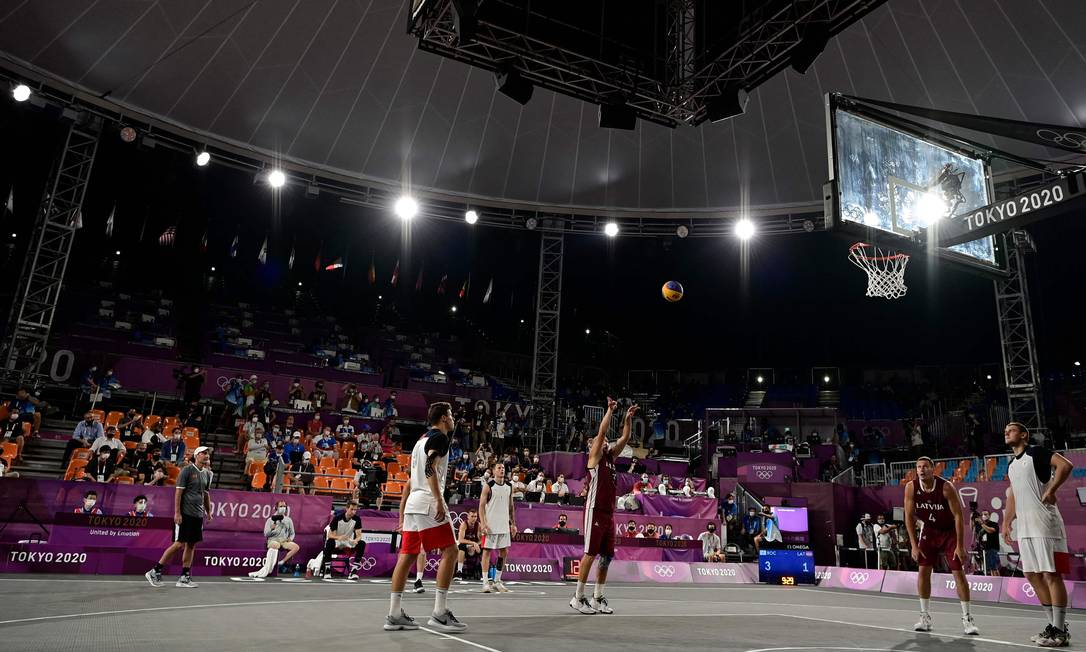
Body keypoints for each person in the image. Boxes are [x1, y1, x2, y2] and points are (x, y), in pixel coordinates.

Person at [385, 402, 465, 633]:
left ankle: (394, 613)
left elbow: (414, 477)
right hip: (429, 501)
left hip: (413, 502)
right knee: (451, 551)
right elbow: (430, 467)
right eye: (450, 415)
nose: (452, 419)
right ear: (442, 418)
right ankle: (440, 613)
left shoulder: (419, 441)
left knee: (408, 555)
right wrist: (439, 499)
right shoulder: (440, 438)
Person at [1002, 422, 1075, 647]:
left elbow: (1065, 465)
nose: (1007, 432)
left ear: (1024, 435)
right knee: (1032, 575)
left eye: (1012, 430)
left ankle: (1060, 630)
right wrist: (1006, 523)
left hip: (1045, 524)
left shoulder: (1036, 452)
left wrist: (1051, 489)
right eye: (1005, 431)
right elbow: (1013, 495)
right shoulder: (1012, 464)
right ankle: (1054, 626)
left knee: (1051, 575)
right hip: (1024, 528)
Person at [569, 398, 638, 616]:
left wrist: (627, 418)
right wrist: (609, 410)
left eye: (607, 440)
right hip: (594, 511)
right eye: (601, 440)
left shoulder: (610, 457)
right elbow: (601, 432)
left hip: (609, 514)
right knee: (590, 553)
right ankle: (578, 597)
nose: (605, 440)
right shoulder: (594, 458)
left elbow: (625, 437)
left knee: (607, 557)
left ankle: (597, 597)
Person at [903, 456, 979, 635]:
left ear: (932, 469)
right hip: (929, 531)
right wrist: (914, 545)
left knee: (958, 573)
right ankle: (924, 617)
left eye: (925, 467)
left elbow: (959, 517)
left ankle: (967, 619)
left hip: (949, 532)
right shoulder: (911, 487)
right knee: (923, 571)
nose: (921, 470)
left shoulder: (946, 487)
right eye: (918, 467)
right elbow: (908, 516)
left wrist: (960, 545)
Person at [145, 446, 213, 588]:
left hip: (198, 515)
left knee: (192, 545)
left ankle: (184, 577)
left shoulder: (207, 474)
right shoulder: (187, 471)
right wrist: (177, 513)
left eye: (207, 453)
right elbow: (178, 493)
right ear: (196, 455)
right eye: (203, 453)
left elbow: (205, 495)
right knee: (179, 544)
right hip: (185, 514)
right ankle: (155, 570)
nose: (206, 455)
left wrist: (208, 512)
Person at [479, 462, 517, 593]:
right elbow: (481, 506)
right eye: (499, 468)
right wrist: (483, 523)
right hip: (490, 526)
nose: (502, 470)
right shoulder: (488, 486)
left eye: (503, 468)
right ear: (494, 471)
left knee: (504, 552)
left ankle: (497, 581)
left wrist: (513, 524)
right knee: (487, 552)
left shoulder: (509, 486)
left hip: (504, 525)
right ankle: (485, 582)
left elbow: (511, 507)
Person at [322, 501, 364, 578]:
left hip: (348, 542)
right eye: (352, 509)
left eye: (355, 510)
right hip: (337, 541)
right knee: (329, 542)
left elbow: (359, 535)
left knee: (362, 543)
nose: (353, 512)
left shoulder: (357, 519)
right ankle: (327, 570)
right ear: (347, 508)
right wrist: (339, 537)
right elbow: (330, 535)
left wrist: (356, 540)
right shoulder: (337, 518)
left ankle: (353, 571)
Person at [456, 510, 482, 580]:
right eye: (472, 516)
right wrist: (473, 543)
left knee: (484, 548)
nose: (474, 518)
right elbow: (460, 540)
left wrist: (477, 544)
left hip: (474, 546)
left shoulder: (478, 525)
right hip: (466, 545)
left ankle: (483, 573)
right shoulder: (464, 525)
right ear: (468, 517)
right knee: (461, 547)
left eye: (475, 516)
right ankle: (459, 572)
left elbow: (481, 540)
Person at [976, 510, 1000, 576]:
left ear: (989, 515)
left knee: (994, 568)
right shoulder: (982, 525)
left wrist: (982, 524)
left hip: (993, 548)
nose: (984, 516)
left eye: (986, 514)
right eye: (982, 514)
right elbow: (975, 532)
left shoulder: (994, 524)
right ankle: (994, 581)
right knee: (990, 569)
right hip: (985, 549)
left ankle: (998, 583)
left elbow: (991, 530)